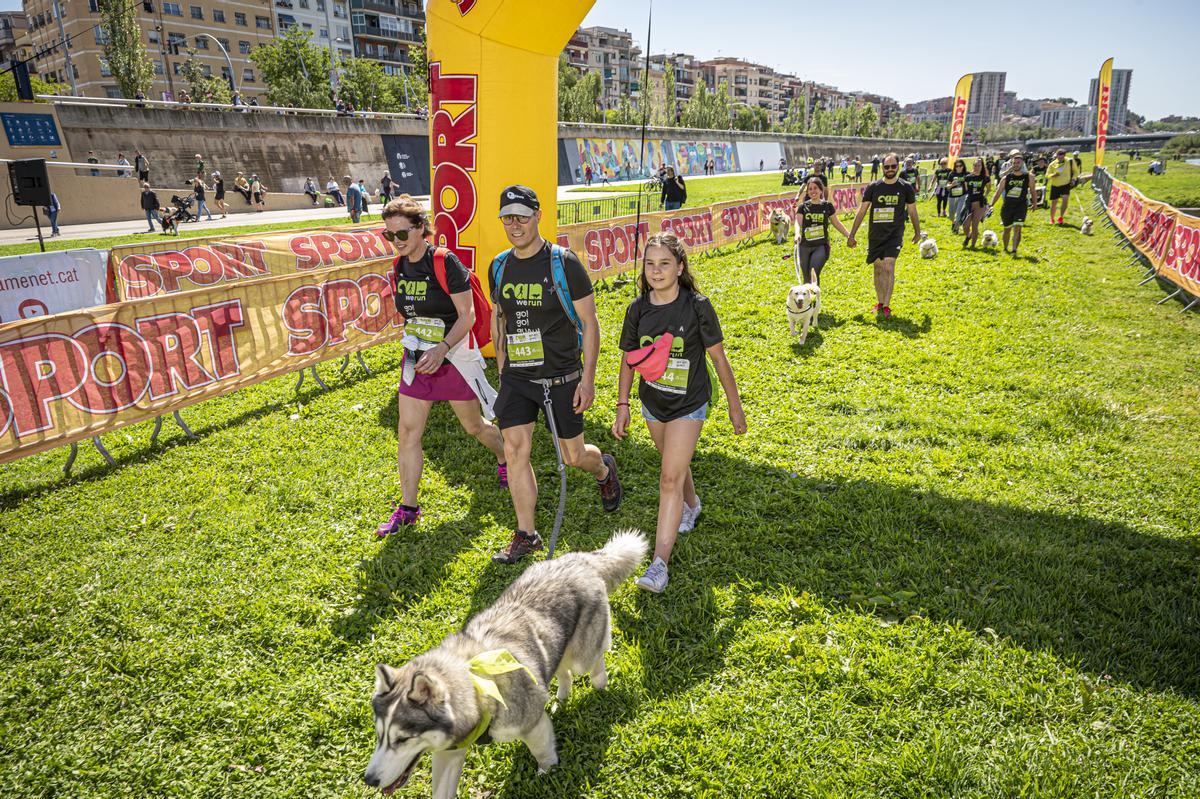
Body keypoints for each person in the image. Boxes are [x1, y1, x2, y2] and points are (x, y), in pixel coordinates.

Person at [488, 185, 623, 564]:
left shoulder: (564, 264)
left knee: (574, 455)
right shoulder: (499, 266)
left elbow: (589, 323)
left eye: (522, 217)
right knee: (515, 451)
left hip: (561, 376)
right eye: (508, 218)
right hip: (518, 377)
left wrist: (588, 378)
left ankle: (604, 469)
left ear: (538, 216)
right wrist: (503, 369)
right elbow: (500, 318)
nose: (514, 225)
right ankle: (526, 533)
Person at [613, 233, 746, 593]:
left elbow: (718, 358)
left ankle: (659, 565)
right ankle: (692, 504)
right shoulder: (637, 309)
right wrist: (622, 404)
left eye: (664, 263)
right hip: (653, 403)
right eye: (650, 264)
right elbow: (628, 361)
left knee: (668, 477)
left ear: (680, 267)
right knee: (675, 463)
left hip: (690, 403)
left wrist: (735, 407)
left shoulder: (698, 307)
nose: (656, 271)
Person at [374, 195, 508, 537]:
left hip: (453, 358)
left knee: (475, 427)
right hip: (417, 360)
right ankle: (408, 507)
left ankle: (507, 458)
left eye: (402, 234)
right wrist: (420, 344)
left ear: (421, 228)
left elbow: (468, 316)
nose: (396, 242)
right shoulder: (400, 265)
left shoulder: (444, 261)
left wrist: (442, 347)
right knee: (407, 432)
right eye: (390, 236)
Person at [846, 152, 921, 318]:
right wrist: (851, 234)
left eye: (893, 166)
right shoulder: (874, 187)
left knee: (888, 266)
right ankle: (880, 302)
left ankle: (887, 305)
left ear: (898, 166)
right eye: (886, 167)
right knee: (878, 268)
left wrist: (917, 231)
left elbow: (913, 211)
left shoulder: (905, 187)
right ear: (882, 168)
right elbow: (862, 211)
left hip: (894, 235)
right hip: (876, 235)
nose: (890, 169)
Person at [795, 176, 851, 286]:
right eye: (810, 189)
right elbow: (797, 223)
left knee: (813, 273)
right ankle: (808, 301)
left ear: (821, 190)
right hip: (804, 246)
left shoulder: (827, 206)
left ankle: (815, 301)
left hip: (821, 245)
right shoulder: (802, 207)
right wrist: (797, 233)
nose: (813, 191)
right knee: (806, 278)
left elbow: (837, 223)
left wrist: (849, 235)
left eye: (815, 188)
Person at [989, 150, 1035, 256]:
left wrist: (1034, 203)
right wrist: (991, 205)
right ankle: (1005, 248)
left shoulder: (1029, 177)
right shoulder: (1006, 178)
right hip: (1008, 206)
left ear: (1022, 163)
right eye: (1014, 163)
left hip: (1021, 205)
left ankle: (1014, 250)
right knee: (1007, 229)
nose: (1015, 165)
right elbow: (998, 192)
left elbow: (1033, 190)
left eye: (1018, 163)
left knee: (1018, 228)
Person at [961, 159, 991, 248]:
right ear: (973, 166)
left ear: (982, 167)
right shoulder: (968, 177)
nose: (977, 167)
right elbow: (966, 189)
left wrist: (985, 195)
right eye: (975, 165)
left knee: (975, 225)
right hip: (970, 203)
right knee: (965, 225)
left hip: (980, 204)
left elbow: (989, 188)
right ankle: (968, 236)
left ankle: (972, 246)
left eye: (979, 165)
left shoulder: (985, 178)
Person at [1046, 148, 1079, 226]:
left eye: (1062, 155)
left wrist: (1073, 179)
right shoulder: (1052, 164)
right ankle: (1052, 218)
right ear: (1056, 155)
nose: (1060, 157)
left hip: (1066, 184)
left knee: (1065, 201)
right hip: (1055, 185)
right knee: (1054, 203)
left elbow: (1075, 171)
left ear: (1065, 155)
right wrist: (1053, 175)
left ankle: (1061, 217)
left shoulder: (1070, 161)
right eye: (1059, 155)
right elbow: (1047, 175)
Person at [946, 158, 969, 235]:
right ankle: (954, 222)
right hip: (952, 196)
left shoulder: (966, 174)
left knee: (959, 213)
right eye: (957, 166)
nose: (958, 167)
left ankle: (956, 228)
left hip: (963, 195)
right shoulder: (951, 174)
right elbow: (947, 186)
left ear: (963, 166)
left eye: (960, 166)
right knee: (951, 214)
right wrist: (952, 185)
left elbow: (969, 186)